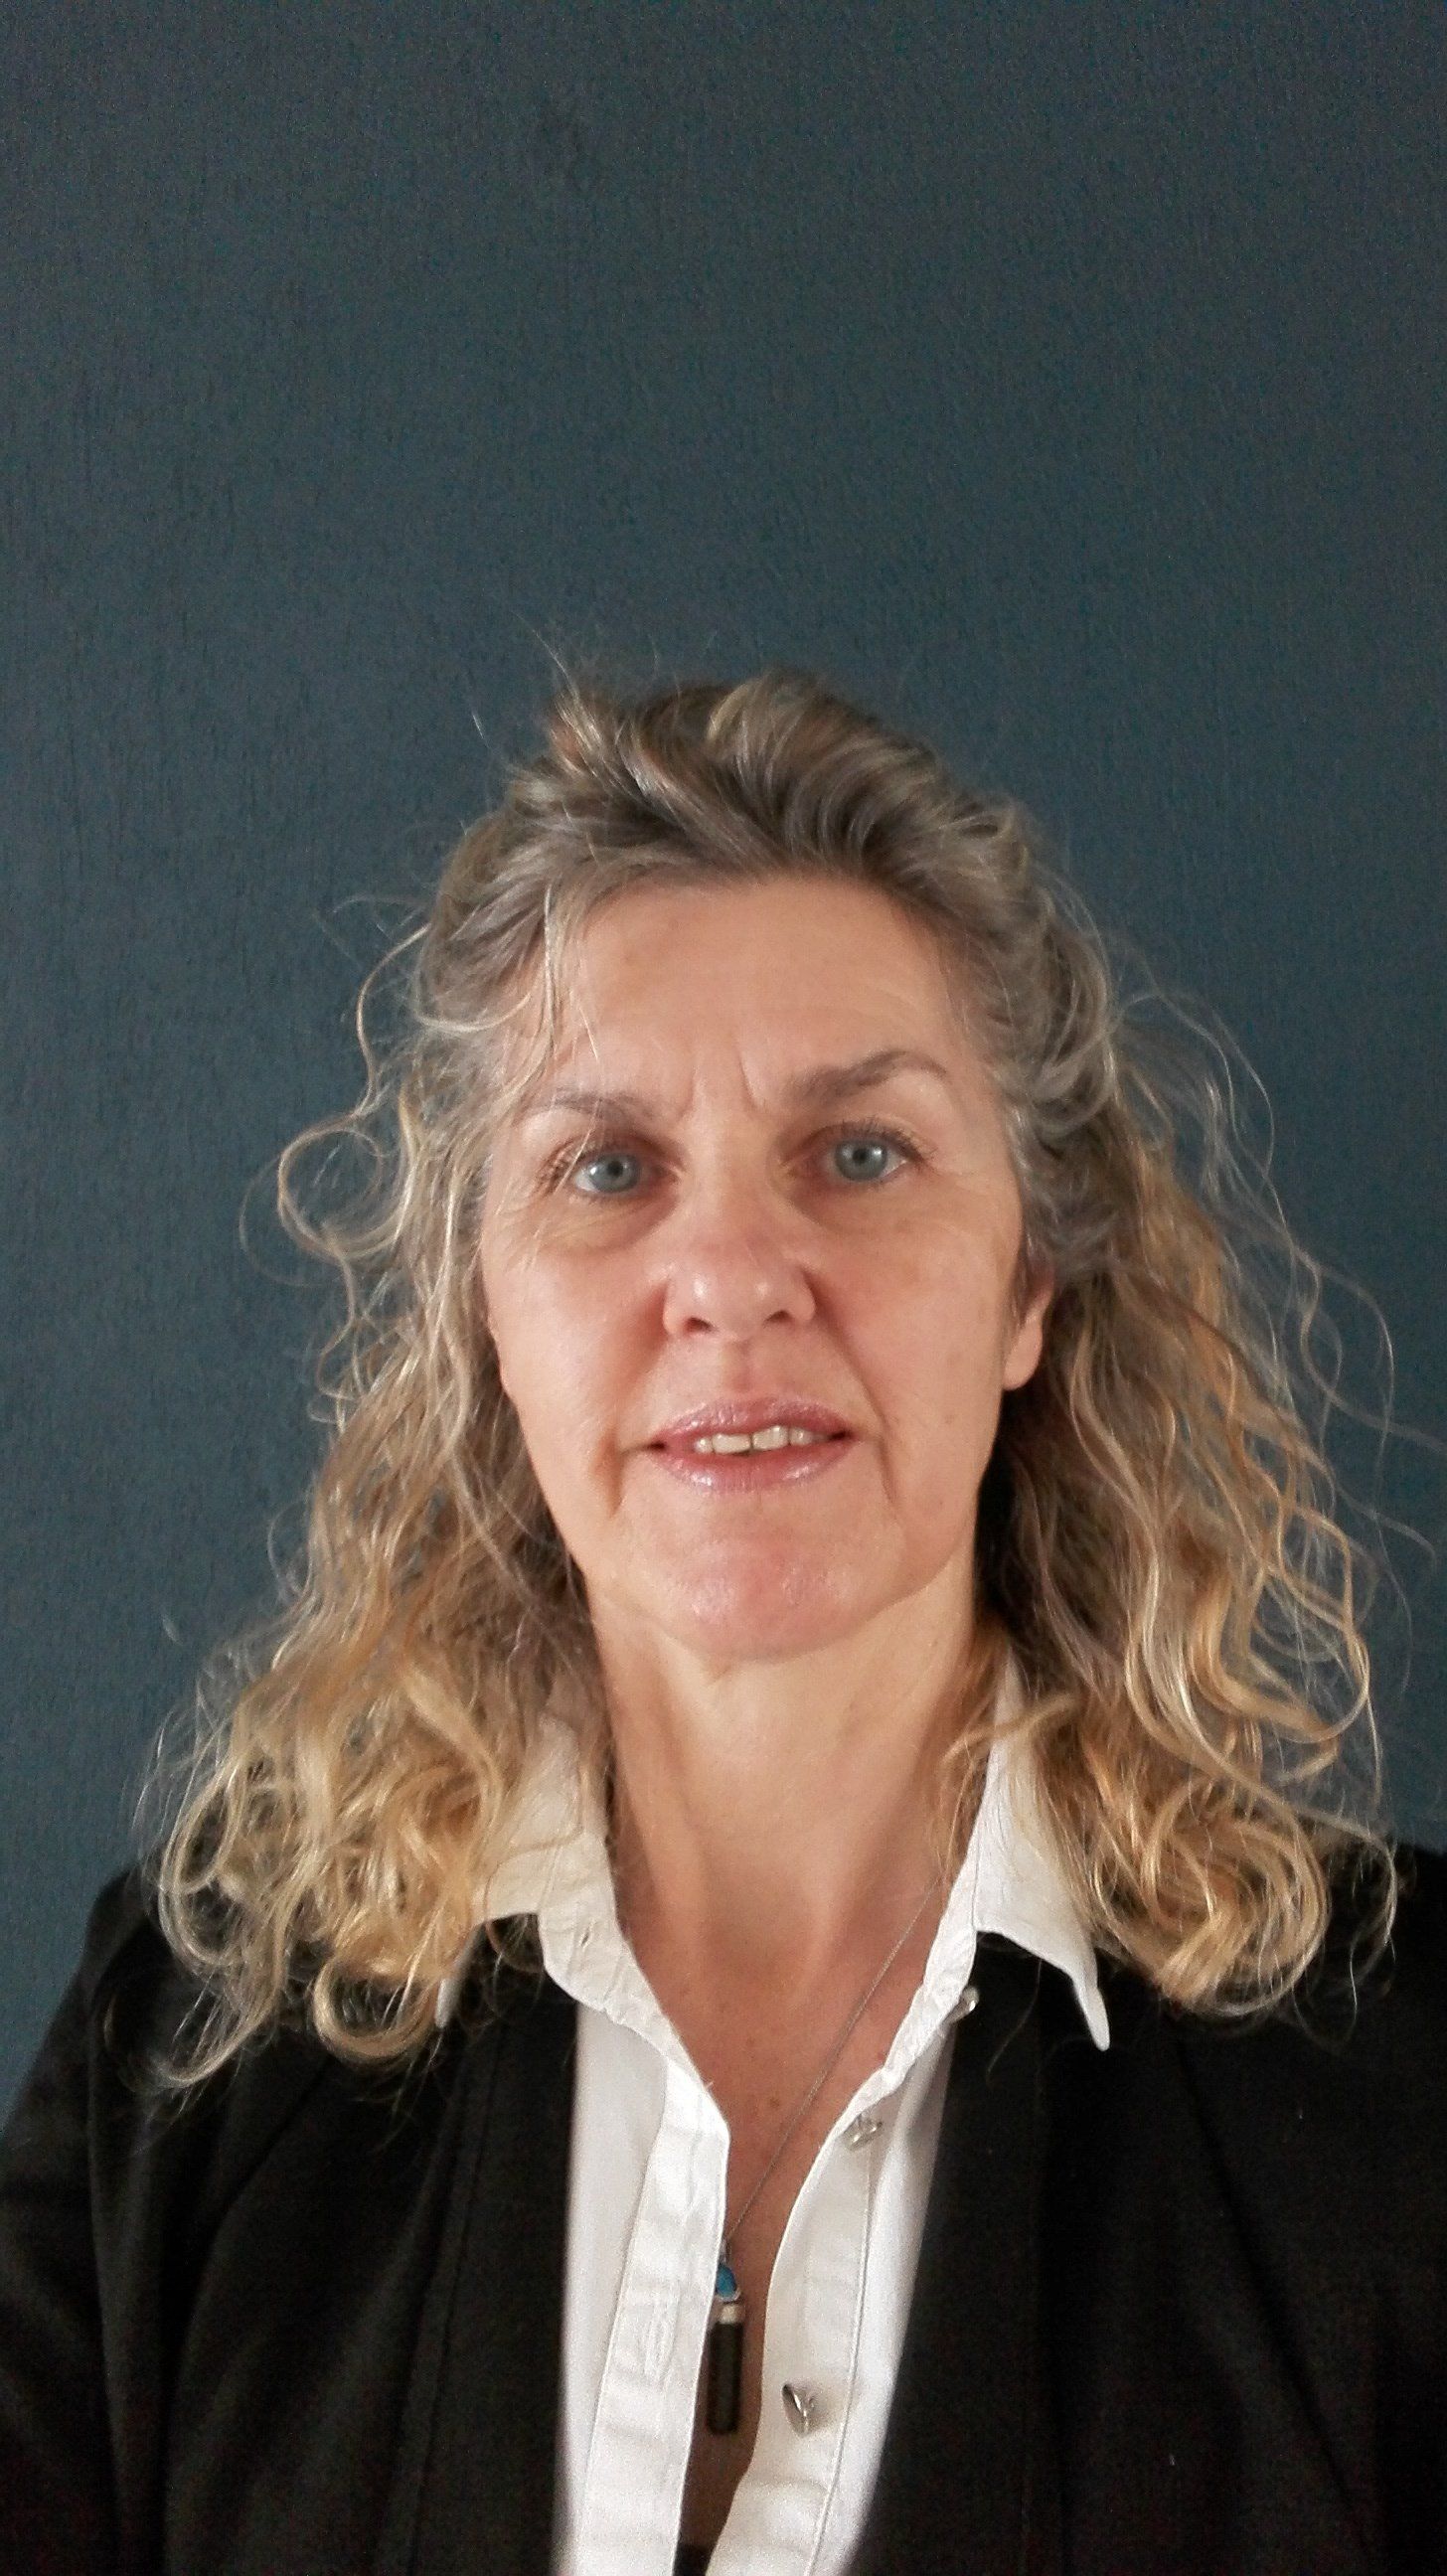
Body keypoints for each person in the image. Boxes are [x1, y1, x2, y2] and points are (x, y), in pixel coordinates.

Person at [1, 665, 1443, 2576]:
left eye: (862, 1154)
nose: (734, 1276)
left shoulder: (1406, 2097)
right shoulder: (185, 2048)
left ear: (1030, 1283)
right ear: (486, 1313)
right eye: (607, 1170)